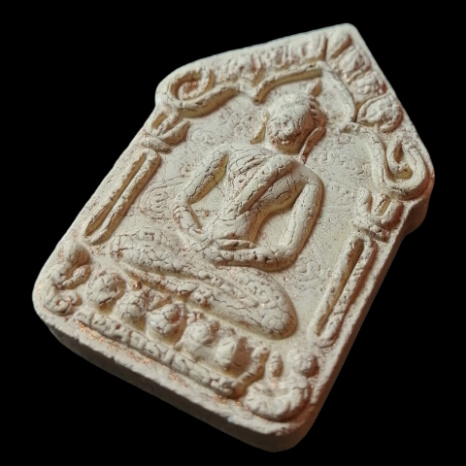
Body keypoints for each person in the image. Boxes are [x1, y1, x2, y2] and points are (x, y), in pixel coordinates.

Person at [173, 92, 325, 271]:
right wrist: (193, 233)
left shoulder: (307, 180)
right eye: (283, 118)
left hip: (244, 258)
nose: (284, 126)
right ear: (267, 116)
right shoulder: (230, 150)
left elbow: (288, 252)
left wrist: (237, 256)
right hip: (198, 238)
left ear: (310, 136)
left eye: (294, 124)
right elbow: (181, 200)